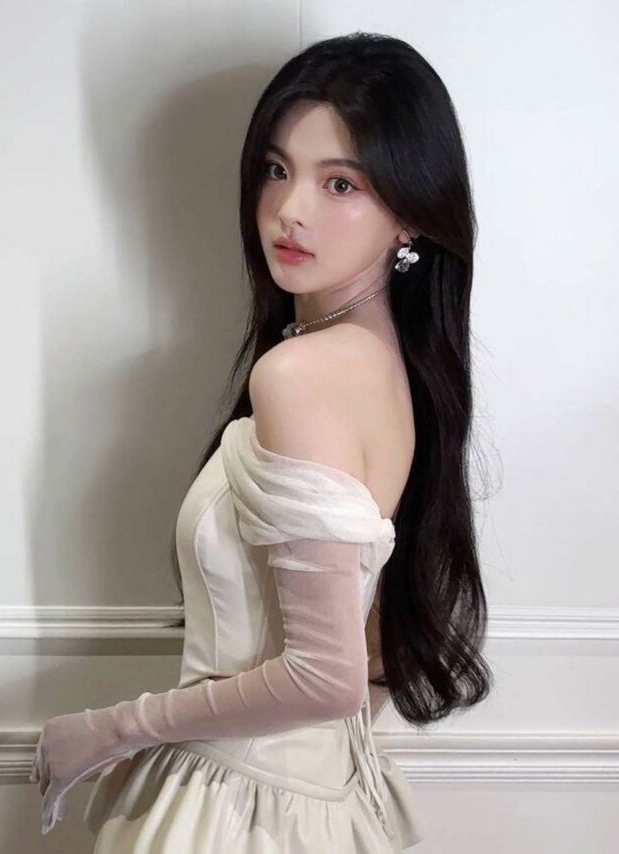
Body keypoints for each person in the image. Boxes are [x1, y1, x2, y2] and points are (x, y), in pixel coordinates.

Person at [30, 31, 493, 851]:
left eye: (340, 182)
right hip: (316, 800)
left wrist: (109, 730)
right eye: (277, 170)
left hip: (240, 809)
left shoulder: (302, 376)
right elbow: (371, 654)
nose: (290, 210)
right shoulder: (395, 373)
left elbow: (325, 677)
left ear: (411, 214)